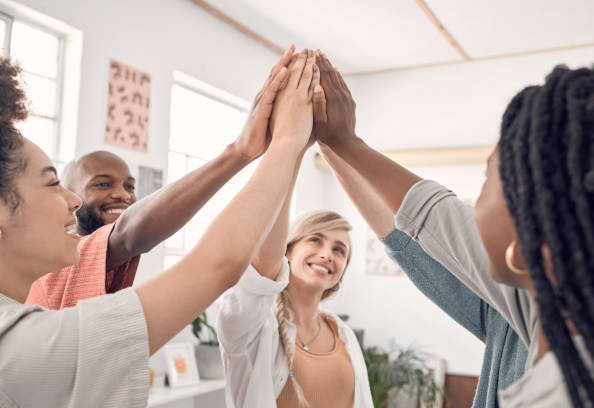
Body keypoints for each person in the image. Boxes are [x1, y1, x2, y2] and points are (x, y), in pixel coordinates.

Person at [0, 47, 318, 407]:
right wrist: (287, 141)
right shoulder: (19, 347)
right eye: (52, 183)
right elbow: (217, 263)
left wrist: (249, 151)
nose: (71, 201)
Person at [313, 53, 527, 407]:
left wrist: (346, 141)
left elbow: (432, 212)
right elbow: (402, 237)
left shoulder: (541, 313)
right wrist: (331, 144)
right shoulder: (507, 311)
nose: (475, 206)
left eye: (489, 180)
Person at [25, 45, 298, 310]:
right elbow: (129, 234)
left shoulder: (115, 272)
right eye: (102, 184)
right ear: (71, 197)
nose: (122, 194)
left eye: (129, 186)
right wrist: (239, 152)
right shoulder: (53, 262)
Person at [217, 52, 372, 408]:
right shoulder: (253, 329)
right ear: (287, 251)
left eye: (339, 249)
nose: (327, 254)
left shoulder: (343, 336)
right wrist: (293, 150)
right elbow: (261, 270)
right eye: (315, 239)